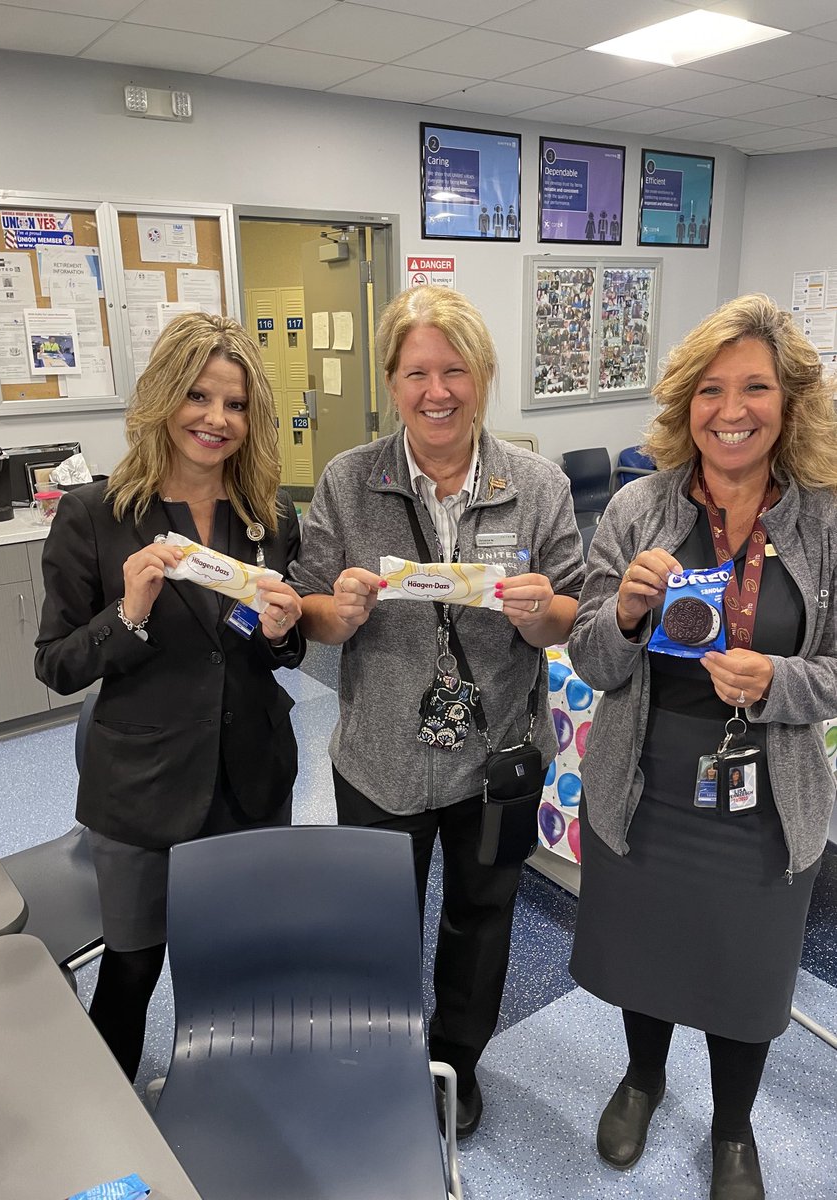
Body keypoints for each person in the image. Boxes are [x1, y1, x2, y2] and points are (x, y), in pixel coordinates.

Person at [289, 285, 584, 1139]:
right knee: (378, 923)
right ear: (392, 382)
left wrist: (543, 615)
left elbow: (575, 609)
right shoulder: (350, 482)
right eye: (417, 372)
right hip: (378, 757)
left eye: (455, 370)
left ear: (484, 376)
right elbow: (303, 607)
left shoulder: (536, 486)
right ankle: (382, 1060)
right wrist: (333, 614)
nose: (437, 391)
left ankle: (457, 1058)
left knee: (481, 918)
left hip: (496, 758)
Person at [567, 294, 837, 1199]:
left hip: (766, 794)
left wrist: (780, 682)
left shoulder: (826, 521)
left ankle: (732, 1130)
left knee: (745, 972)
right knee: (645, 955)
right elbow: (591, 660)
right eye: (712, 390)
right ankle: (642, 1080)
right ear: (687, 404)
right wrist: (629, 614)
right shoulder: (638, 507)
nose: (732, 409)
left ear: (789, 402)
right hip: (644, 780)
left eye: (755, 387)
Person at [35, 312, 305, 1081]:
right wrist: (129, 614)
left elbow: (281, 653)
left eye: (237, 404)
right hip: (142, 793)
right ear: (163, 399)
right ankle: (108, 1128)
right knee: (130, 975)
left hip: (250, 777)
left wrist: (285, 629)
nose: (217, 420)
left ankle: (232, 1107)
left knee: (240, 966)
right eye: (199, 397)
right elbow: (55, 663)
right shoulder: (96, 514)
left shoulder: (268, 516)